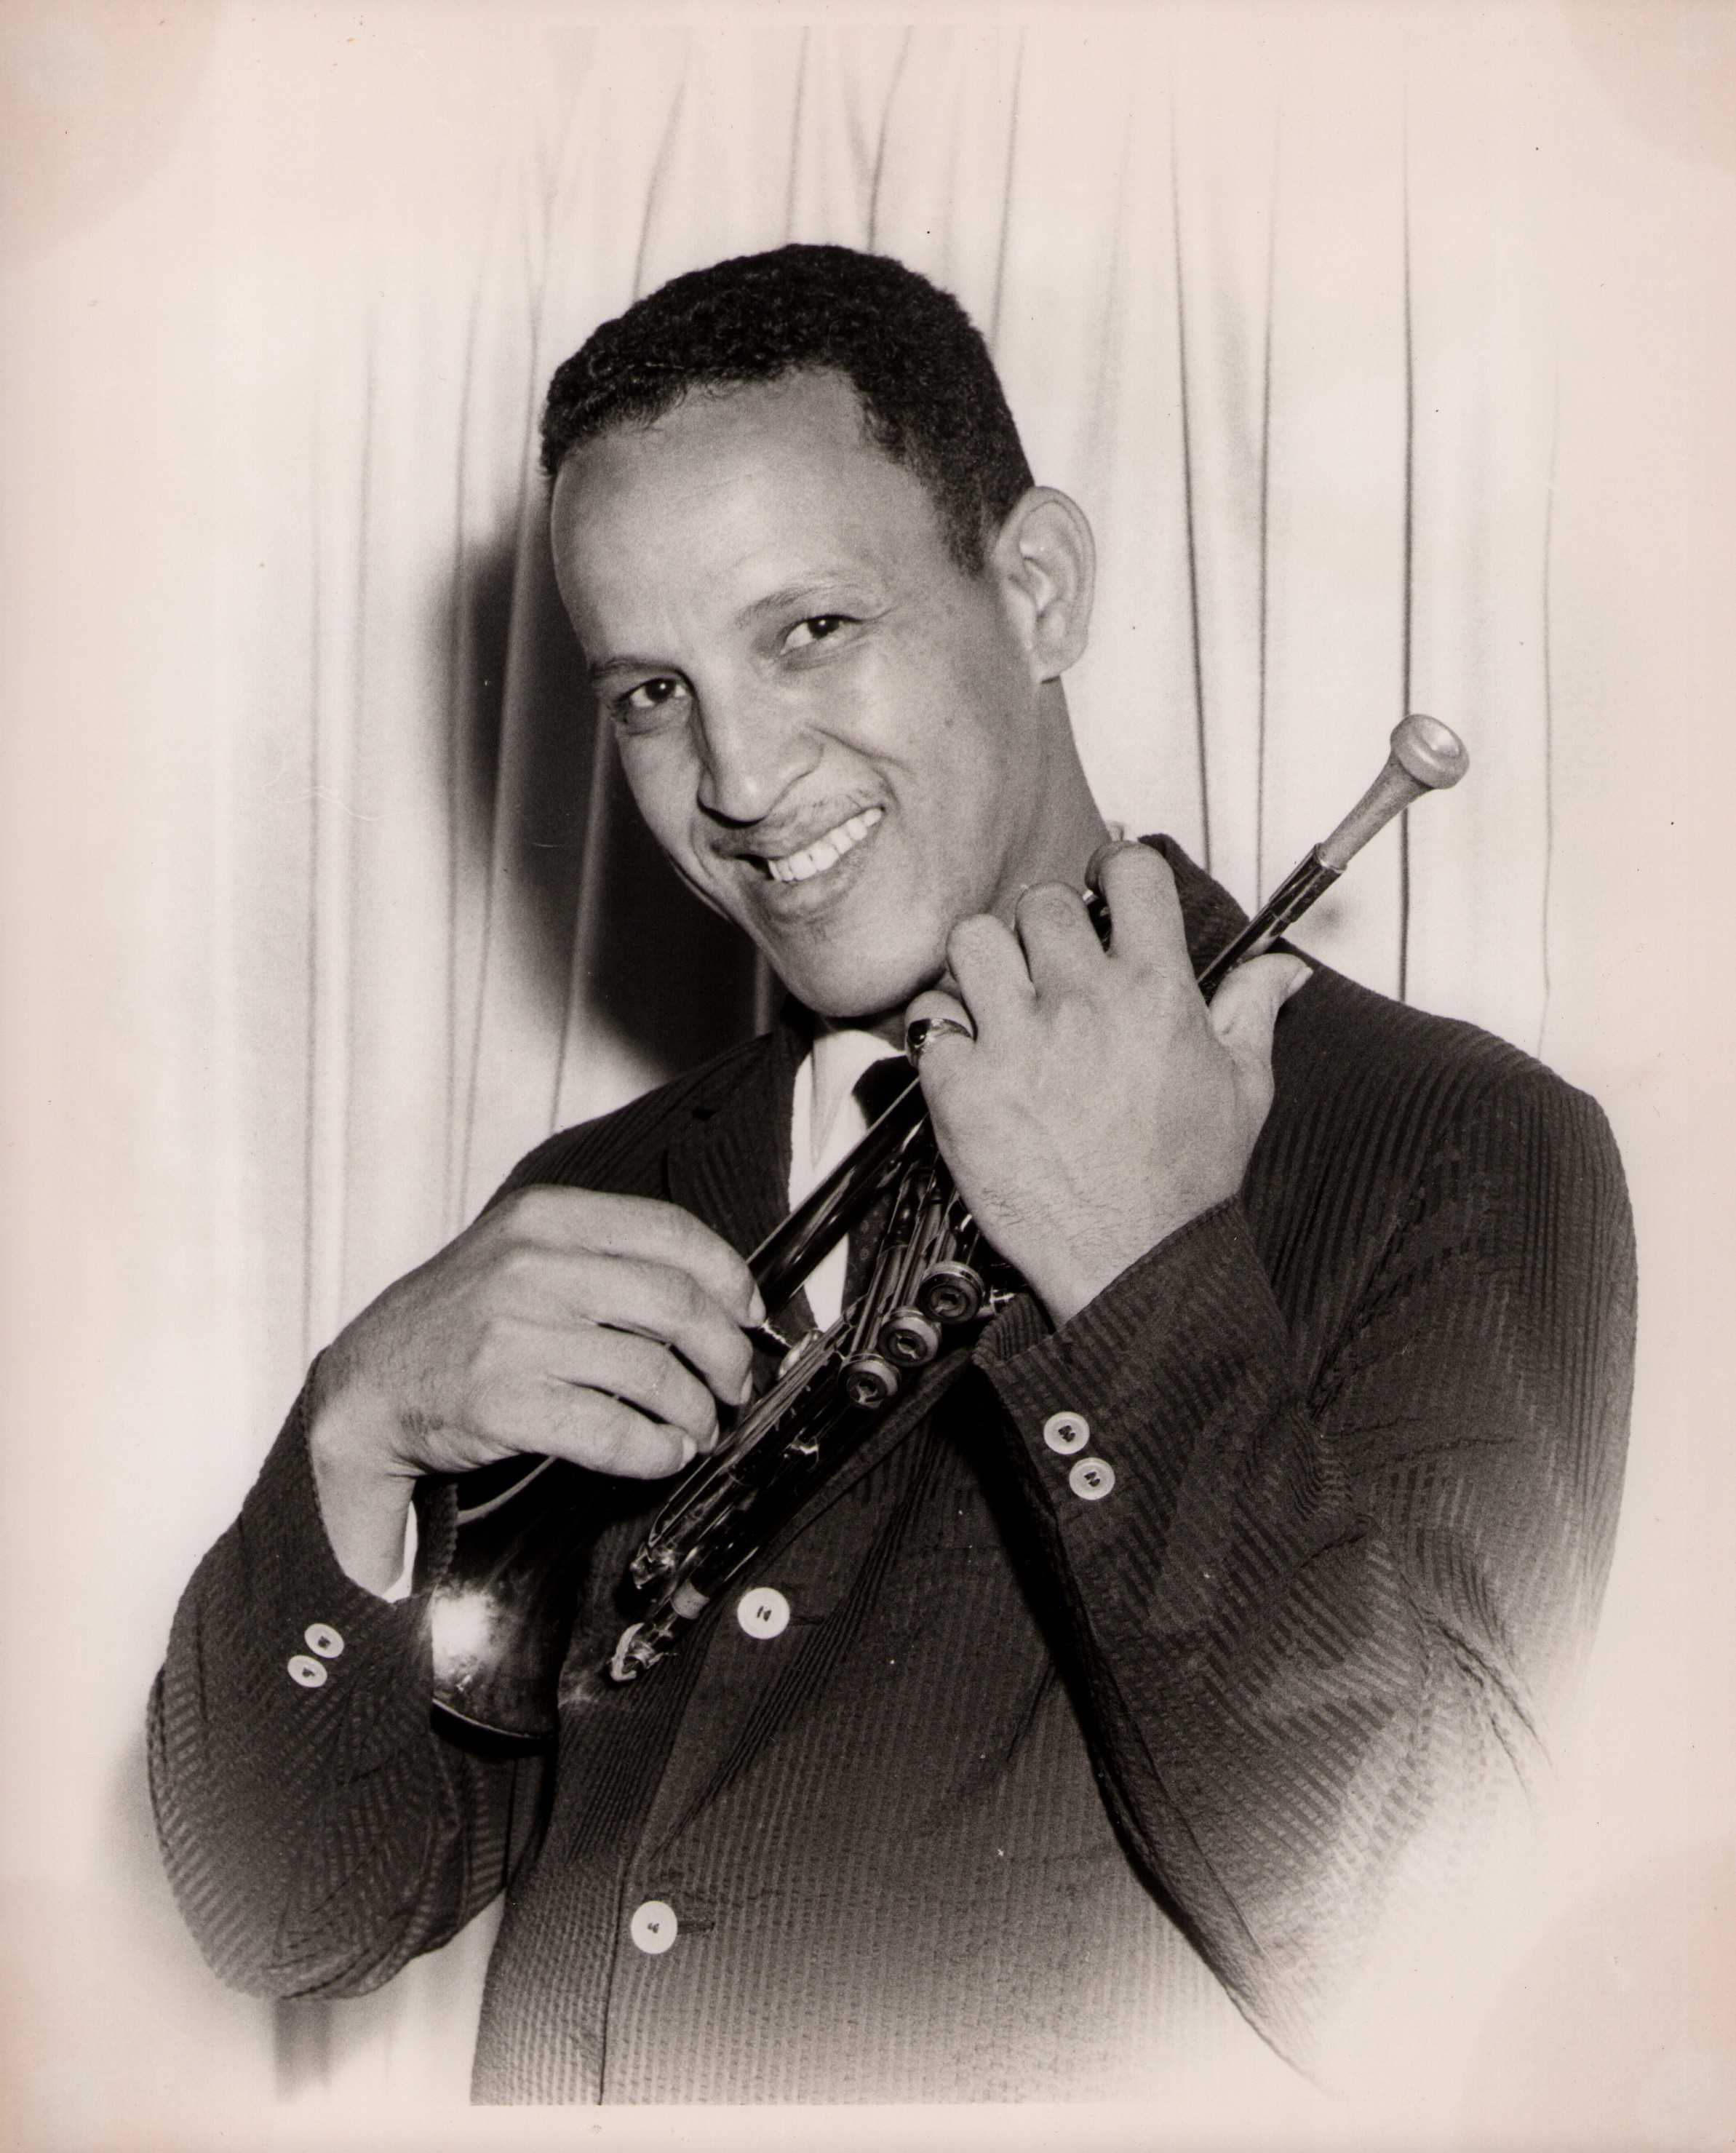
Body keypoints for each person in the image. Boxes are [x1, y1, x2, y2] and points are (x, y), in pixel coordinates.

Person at [148, 244, 1634, 2106]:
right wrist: (352, 1433)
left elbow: (1435, 1971)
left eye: (808, 632)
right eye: (648, 694)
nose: (744, 776)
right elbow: (286, 1909)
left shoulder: (1446, 1144)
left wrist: (1141, 1277)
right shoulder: (604, 1189)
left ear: (1035, 588)